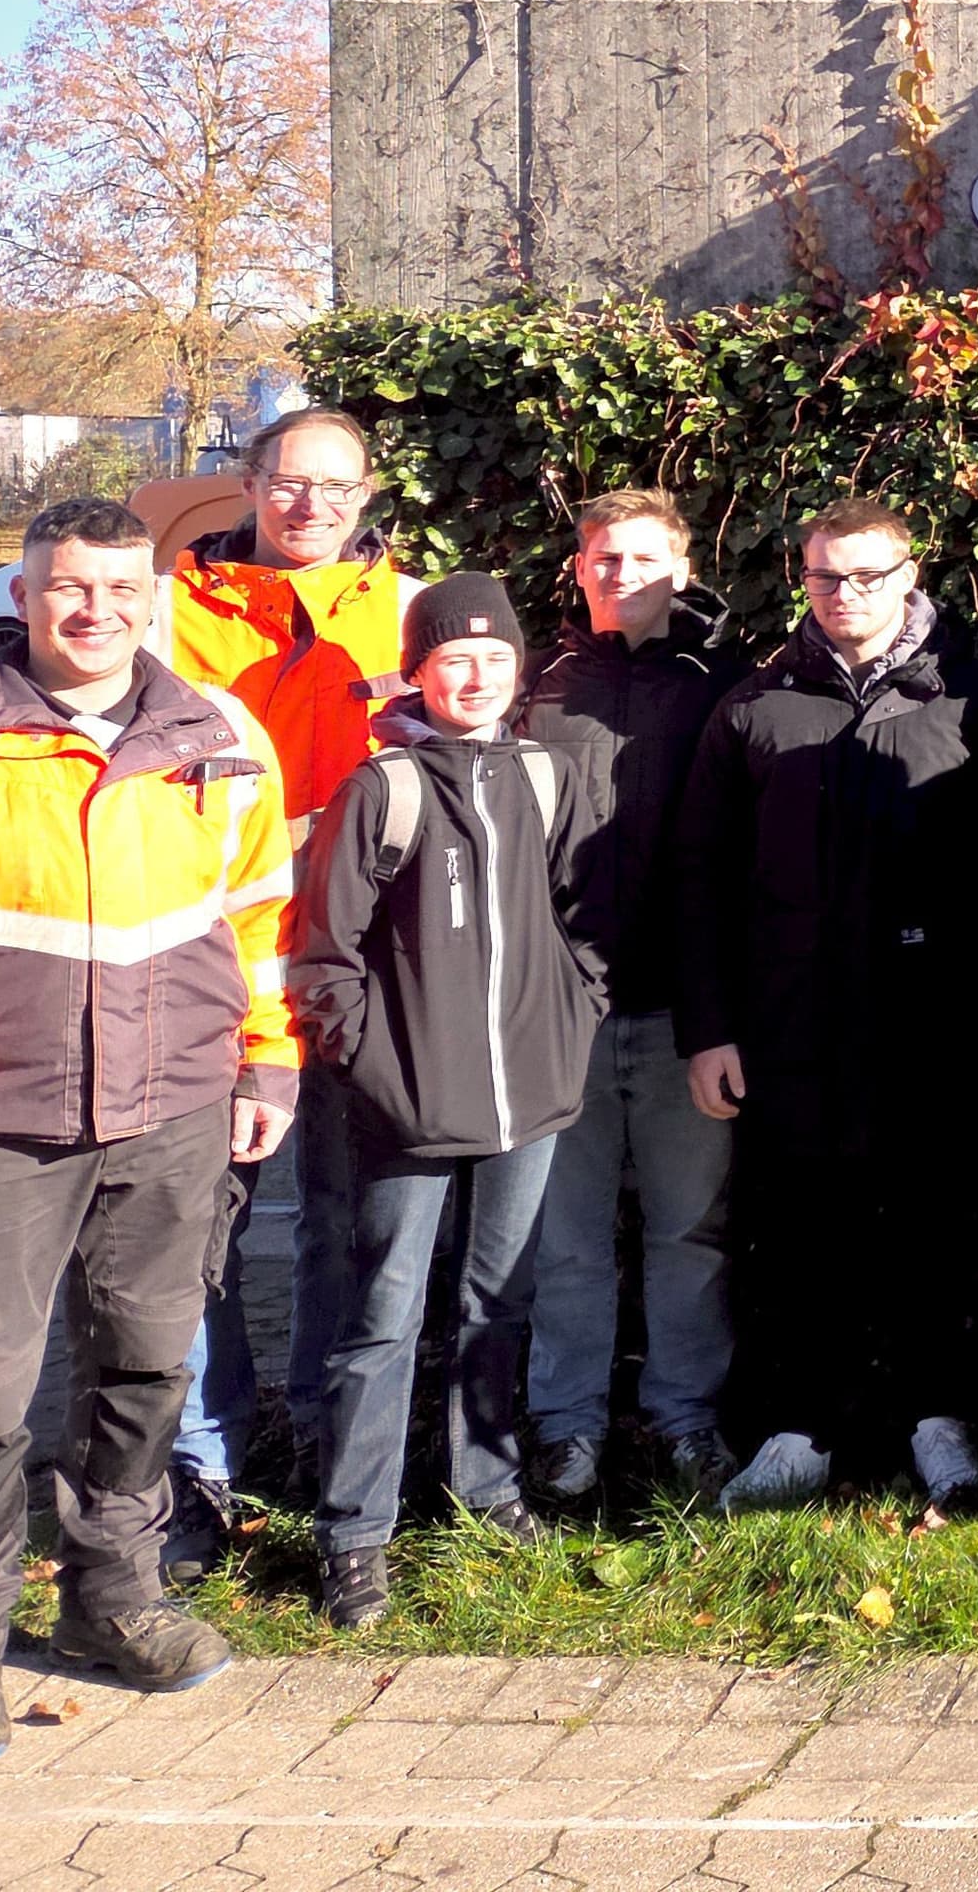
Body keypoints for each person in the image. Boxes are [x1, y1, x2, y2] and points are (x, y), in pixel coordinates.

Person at [0, 497, 284, 1762]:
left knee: (147, 1370)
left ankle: (112, 1600)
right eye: (68, 587)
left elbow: (259, 917)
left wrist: (267, 1061)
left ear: (153, 600)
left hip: (174, 1108)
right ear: (23, 597)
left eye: (119, 589)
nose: (95, 611)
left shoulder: (221, 732)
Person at [677, 498, 978, 1513]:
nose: (845, 595)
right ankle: (799, 1430)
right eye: (826, 576)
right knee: (798, 1226)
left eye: (868, 575)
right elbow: (700, 877)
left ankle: (936, 1419)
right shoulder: (756, 706)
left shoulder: (974, 699)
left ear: (911, 576)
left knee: (937, 1221)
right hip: (791, 1025)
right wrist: (710, 1029)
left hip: (936, 1022)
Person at [287, 576, 610, 1628]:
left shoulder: (549, 777)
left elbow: (588, 919)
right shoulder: (382, 788)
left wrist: (574, 1019)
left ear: (519, 671)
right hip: (407, 1104)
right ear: (419, 671)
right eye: (453, 659)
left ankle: (490, 1490)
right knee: (383, 1318)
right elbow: (323, 953)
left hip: (530, 1097)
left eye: (495, 659)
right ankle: (354, 1536)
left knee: (498, 1301)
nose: (475, 677)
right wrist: (372, 1063)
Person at [155, 410, 418, 1568]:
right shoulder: (167, 610)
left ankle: (321, 1432)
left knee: (344, 1218)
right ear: (250, 482)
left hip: (367, 963)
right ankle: (200, 1462)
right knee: (195, 1224)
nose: (312, 505)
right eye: (290, 482)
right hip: (210, 960)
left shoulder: (412, 611)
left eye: (336, 485)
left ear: (368, 494)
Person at [519, 490, 750, 1506]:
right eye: (605, 558)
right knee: (565, 1240)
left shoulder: (727, 688)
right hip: (560, 1014)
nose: (623, 575)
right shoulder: (535, 688)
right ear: (579, 569)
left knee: (689, 1232)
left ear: (682, 571)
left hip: (683, 1016)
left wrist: (720, 1013)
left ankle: (686, 1419)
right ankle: (566, 1428)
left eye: (645, 559)